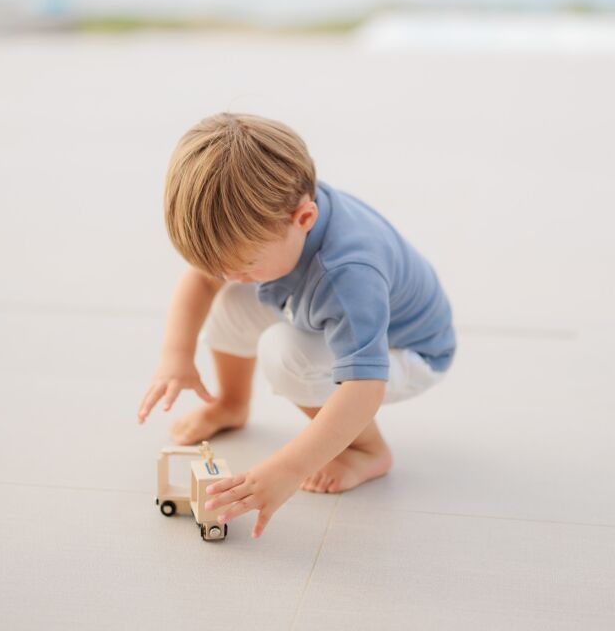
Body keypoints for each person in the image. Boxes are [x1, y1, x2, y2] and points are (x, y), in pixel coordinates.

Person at [137, 112, 456, 538]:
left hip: (408, 352)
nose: (229, 274)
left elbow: (364, 388)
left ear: (303, 220)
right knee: (231, 302)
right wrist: (176, 357)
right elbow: (202, 279)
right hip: (327, 312)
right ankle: (232, 403)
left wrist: (286, 469)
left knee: (286, 355)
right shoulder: (275, 217)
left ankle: (368, 449)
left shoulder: (348, 273)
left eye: (245, 265)